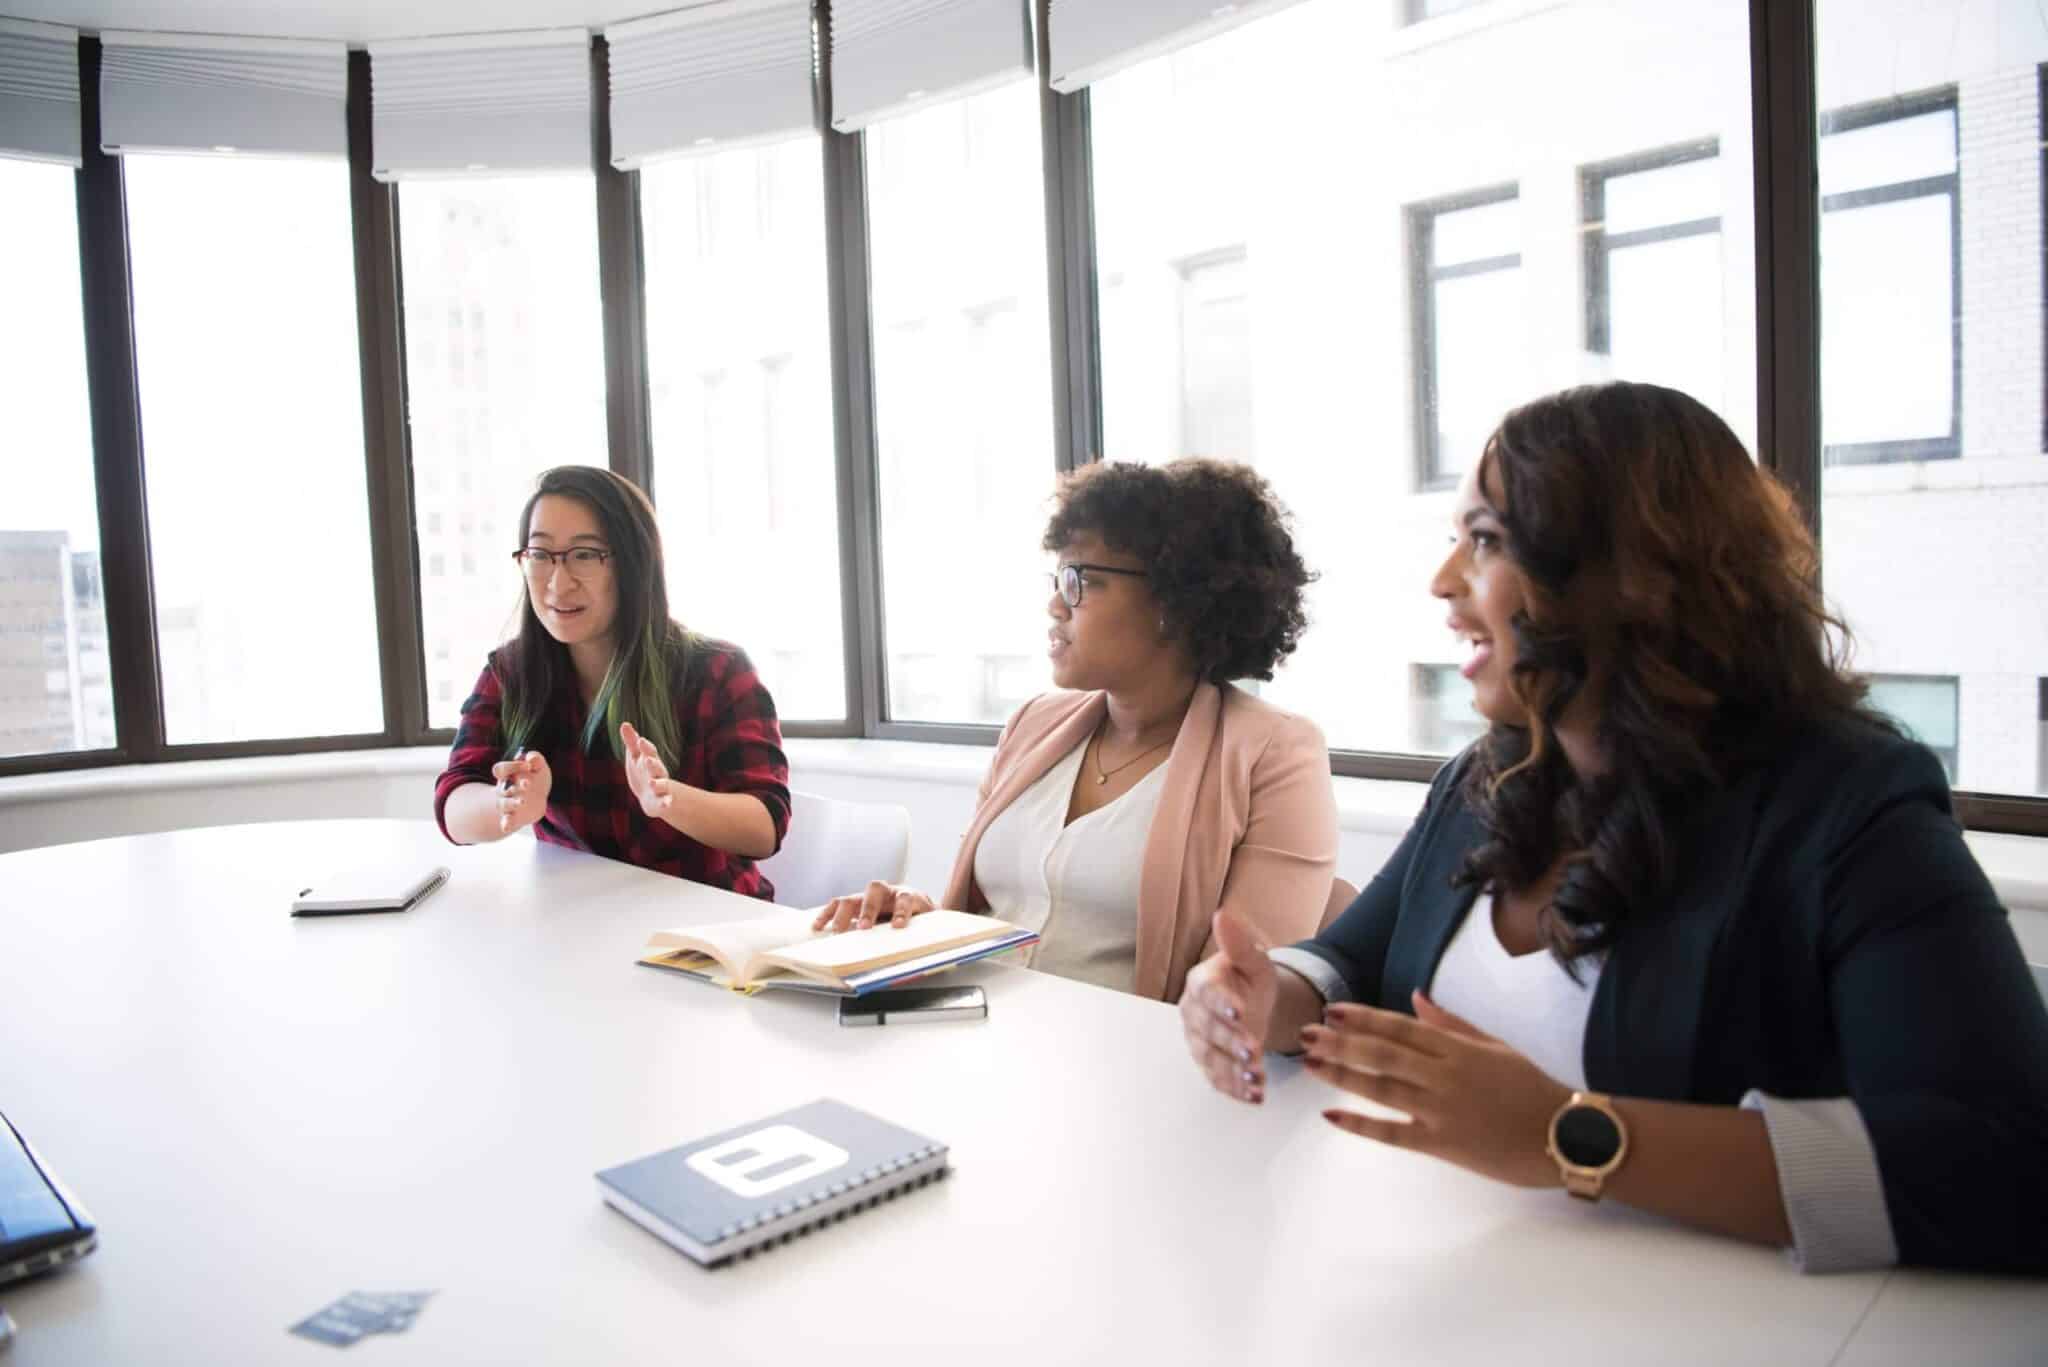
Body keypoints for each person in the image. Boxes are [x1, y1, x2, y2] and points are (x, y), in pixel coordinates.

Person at [1180, 382, 2048, 1274]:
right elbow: (1353, 966)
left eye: (1484, 541)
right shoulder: (1487, 776)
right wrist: (1261, 996)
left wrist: (1572, 1134)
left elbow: (2006, 1158)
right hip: (1474, 1294)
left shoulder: (1849, 805)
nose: (1443, 582)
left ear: (1635, 573)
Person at [815, 459, 1338, 1003]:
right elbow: (992, 915)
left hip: (1125, 1069)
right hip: (968, 1038)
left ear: (1175, 604)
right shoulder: (1033, 724)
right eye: (1057, 578)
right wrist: (918, 921)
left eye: (1081, 581)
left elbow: (1241, 996)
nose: (1055, 605)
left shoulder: (1275, 753)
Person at [435, 465, 791, 898]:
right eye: (541, 554)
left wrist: (668, 799)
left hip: (706, 934)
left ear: (633, 564)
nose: (557, 582)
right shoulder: (511, 674)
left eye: (585, 555)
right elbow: (454, 803)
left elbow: (765, 827)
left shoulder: (717, 671)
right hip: (579, 925)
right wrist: (505, 804)